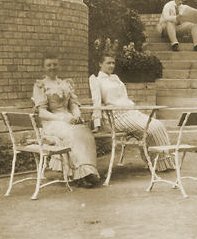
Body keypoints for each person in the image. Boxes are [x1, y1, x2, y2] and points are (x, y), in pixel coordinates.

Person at [89, 53, 175, 172]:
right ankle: (156, 163)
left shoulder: (115, 78)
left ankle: (162, 162)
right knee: (150, 128)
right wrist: (97, 124)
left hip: (130, 112)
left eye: (113, 63)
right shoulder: (96, 80)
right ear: (100, 64)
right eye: (108, 63)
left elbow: (124, 97)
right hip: (116, 117)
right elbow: (96, 102)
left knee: (158, 125)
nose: (111, 65)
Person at [32, 53, 100, 188]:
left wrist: (76, 114)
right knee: (72, 134)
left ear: (59, 66)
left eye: (55, 64)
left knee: (86, 133)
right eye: (49, 65)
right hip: (52, 122)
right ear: (43, 68)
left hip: (68, 119)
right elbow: (42, 111)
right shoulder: (40, 85)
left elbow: (73, 104)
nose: (52, 67)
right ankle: (79, 174)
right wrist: (61, 118)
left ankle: (88, 171)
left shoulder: (66, 83)